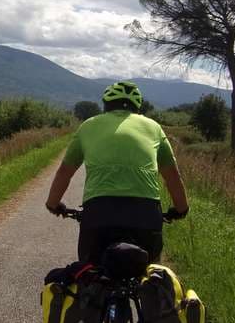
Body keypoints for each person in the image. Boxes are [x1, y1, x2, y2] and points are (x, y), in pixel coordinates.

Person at [44, 80, 188, 267]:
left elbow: (65, 172)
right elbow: (172, 176)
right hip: (145, 215)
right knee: (149, 275)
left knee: (90, 273)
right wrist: (181, 209)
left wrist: (53, 204)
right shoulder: (154, 128)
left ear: (106, 105)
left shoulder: (88, 126)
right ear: (137, 108)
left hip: (98, 214)